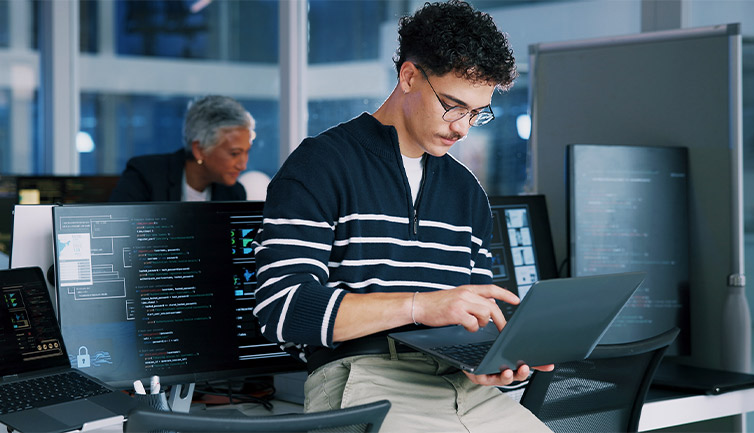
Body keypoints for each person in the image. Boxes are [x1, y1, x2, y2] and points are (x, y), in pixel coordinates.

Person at [253, 1, 552, 431]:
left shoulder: (467, 193)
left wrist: (489, 360)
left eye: (476, 113)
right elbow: (282, 308)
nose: (463, 127)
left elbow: (470, 317)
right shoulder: (320, 165)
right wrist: (419, 306)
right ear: (409, 77)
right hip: (367, 379)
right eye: (453, 105)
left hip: (467, 390)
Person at [109, 95, 255, 202]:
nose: (243, 165)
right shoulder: (144, 175)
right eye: (235, 153)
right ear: (199, 150)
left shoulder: (234, 193)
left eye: (247, 151)